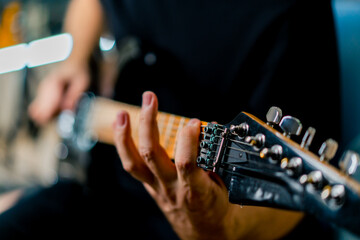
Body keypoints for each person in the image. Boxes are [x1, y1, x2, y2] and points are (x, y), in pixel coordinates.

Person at [0, 0, 341, 239]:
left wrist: (218, 227)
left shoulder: (290, 12)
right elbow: (95, 3)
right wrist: (74, 60)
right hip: (101, 192)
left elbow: (299, 195)